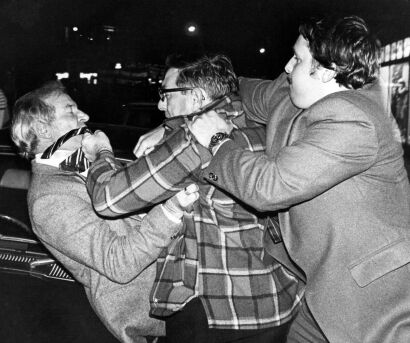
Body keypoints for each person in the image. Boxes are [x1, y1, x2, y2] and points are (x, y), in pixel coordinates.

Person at [189, 16, 410, 342]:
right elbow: (244, 90)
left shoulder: (354, 118)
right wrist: (180, 120)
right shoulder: (297, 94)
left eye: (297, 59)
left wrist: (218, 141)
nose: (287, 66)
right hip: (321, 291)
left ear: (327, 69)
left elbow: (269, 187)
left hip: (374, 298)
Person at [82, 55, 304, 343]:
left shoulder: (195, 139)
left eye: (166, 94)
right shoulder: (258, 124)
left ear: (197, 97)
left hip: (217, 309)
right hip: (276, 298)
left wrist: (100, 154)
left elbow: (108, 199)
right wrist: (167, 127)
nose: (161, 104)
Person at [10, 81, 199, 343]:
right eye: (71, 111)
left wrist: (165, 130)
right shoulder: (49, 197)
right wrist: (170, 211)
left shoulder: (84, 166)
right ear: (43, 128)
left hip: (180, 286)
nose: (84, 116)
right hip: (157, 312)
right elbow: (119, 262)